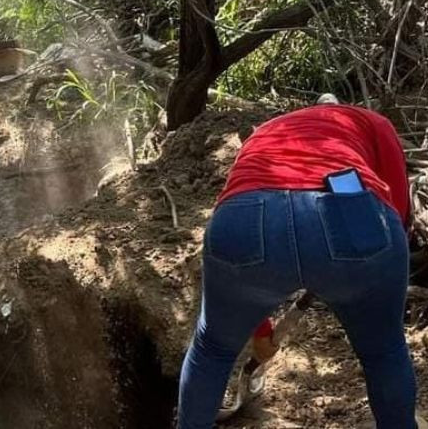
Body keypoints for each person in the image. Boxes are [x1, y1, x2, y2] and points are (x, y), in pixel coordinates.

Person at [178, 100, 415, 429]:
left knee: (213, 349)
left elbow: (249, 236)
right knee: (384, 351)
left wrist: (259, 331)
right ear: (341, 109)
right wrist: (374, 266)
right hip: (350, 214)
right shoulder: (370, 121)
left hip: (246, 217)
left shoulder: (266, 131)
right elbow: (398, 204)